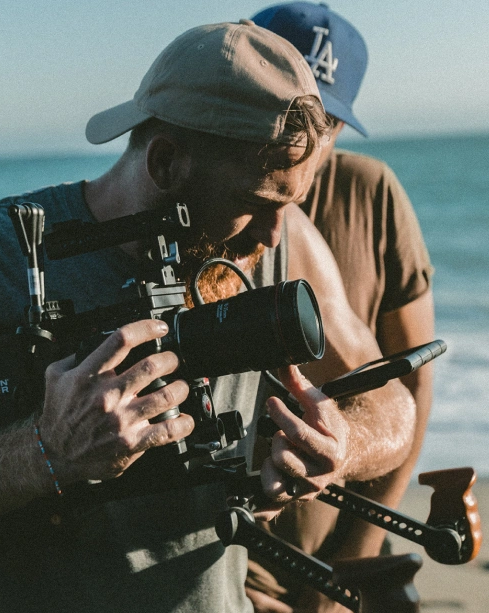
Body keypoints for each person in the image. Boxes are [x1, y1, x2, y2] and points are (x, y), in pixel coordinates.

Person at [0, 21, 416, 613]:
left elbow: (394, 403)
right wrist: (45, 450)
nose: (274, 233)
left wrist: (341, 444)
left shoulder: (284, 241)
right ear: (166, 162)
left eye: (292, 203)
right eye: (256, 204)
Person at [244, 4, 435, 612]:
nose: (305, 136)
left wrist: (350, 561)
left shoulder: (372, 193)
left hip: (344, 536)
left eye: (324, 119)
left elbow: (413, 385)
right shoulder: (218, 198)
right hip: (234, 549)